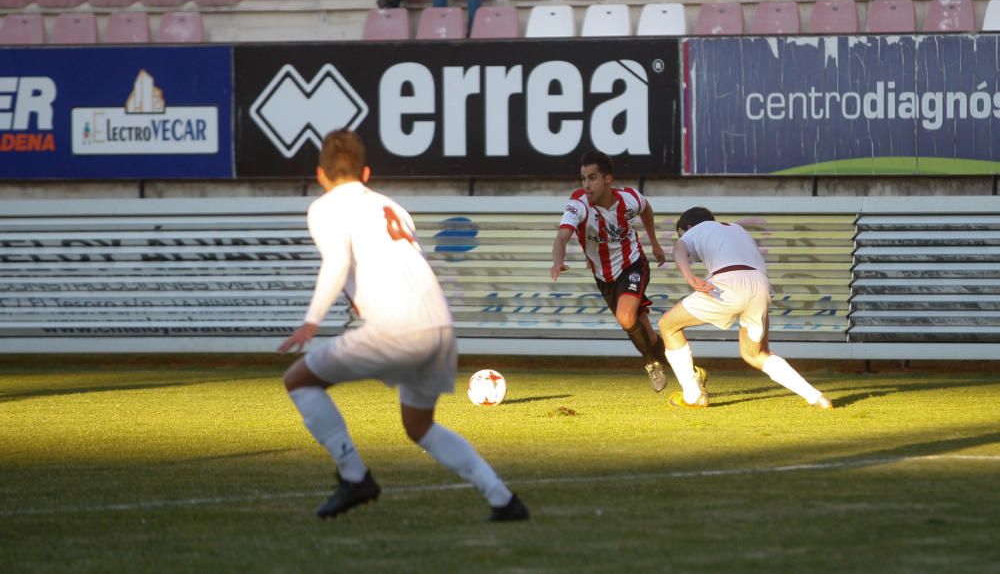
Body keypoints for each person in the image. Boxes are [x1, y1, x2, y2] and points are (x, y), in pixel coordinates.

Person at [279, 129, 528, 522]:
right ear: (365, 172)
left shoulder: (324, 209)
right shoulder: (392, 207)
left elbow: (337, 262)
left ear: (321, 175)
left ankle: (354, 476)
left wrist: (311, 321)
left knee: (299, 380)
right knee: (419, 426)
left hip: (397, 328)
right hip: (440, 327)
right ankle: (503, 499)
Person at [658, 206, 834, 410]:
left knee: (668, 325)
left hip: (728, 283)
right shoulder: (737, 230)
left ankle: (693, 395)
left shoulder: (697, 229)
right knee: (757, 354)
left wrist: (689, 277)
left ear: (688, 227)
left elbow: (679, 248)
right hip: (760, 284)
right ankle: (816, 397)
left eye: (683, 232)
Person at [551, 150, 694, 394]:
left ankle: (651, 363)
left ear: (608, 179)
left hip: (633, 264)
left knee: (626, 317)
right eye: (583, 178)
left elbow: (647, 209)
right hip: (604, 277)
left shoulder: (630, 199)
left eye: (592, 178)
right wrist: (557, 261)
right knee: (647, 333)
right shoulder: (577, 204)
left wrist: (654, 243)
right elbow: (562, 237)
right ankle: (690, 372)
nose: (586, 185)